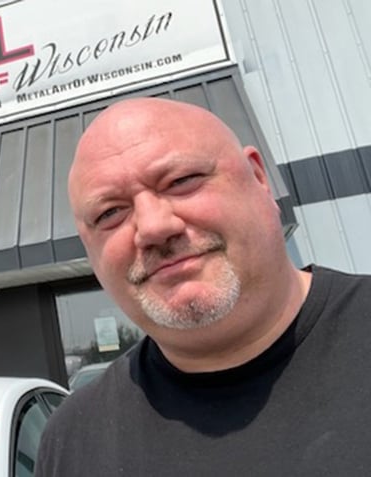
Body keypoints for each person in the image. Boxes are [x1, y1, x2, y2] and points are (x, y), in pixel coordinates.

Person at [36, 97, 371, 475]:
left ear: (259, 178)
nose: (153, 227)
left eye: (181, 181)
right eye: (110, 212)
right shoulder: (73, 440)